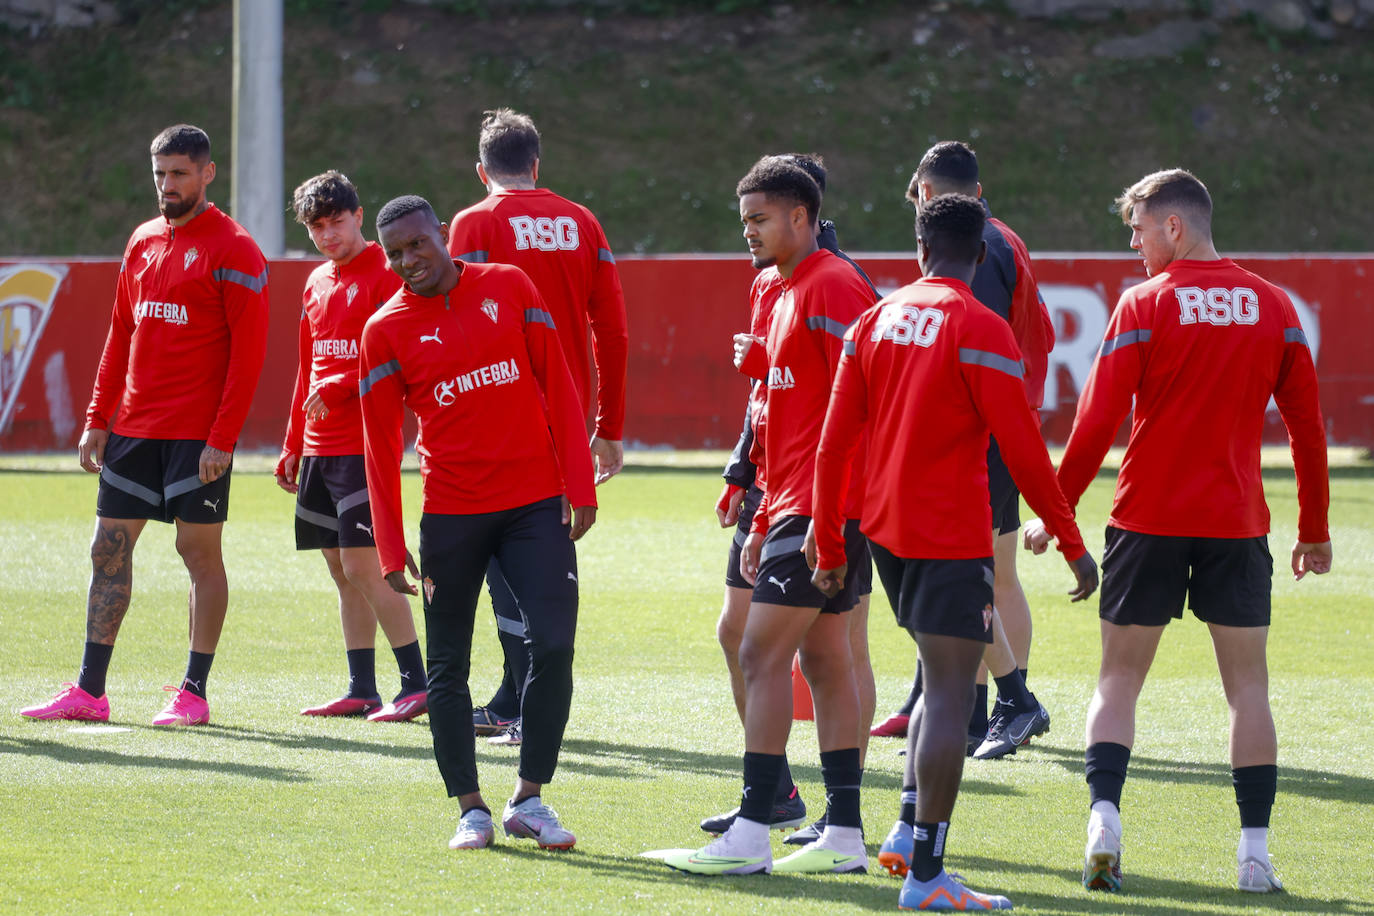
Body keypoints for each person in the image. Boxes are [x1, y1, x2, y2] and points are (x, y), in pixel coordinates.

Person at [1023, 168, 1330, 894]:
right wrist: (1313, 529)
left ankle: (1104, 822)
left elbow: (1097, 424)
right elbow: (1309, 429)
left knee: (1118, 679)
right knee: (1248, 689)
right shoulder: (1275, 306)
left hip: (1146, 519)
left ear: (1174, 226)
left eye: (1137, 229)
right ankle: (1254, 854)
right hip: (1235, 523)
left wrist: (1055, 516)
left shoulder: (1143, 305)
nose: (1133, 245)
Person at [809, 193, 1097, 910]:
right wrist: (1070, 541)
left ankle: (908, 835)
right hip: (950, 536)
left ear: (918, 248)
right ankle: (930, 877)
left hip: (884, 537)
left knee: (936, 682)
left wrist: (826, 540)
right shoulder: (983, 328)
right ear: (981, 254)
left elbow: (833, 440)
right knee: (947, 696)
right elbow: (1026, 454)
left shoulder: (873, 321)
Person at [360, 195, 596, 851]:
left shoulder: (509, 287)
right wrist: (388, 542)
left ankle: (529, 799)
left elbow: (559, 382)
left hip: (534, 505)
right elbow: (378, 446)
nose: (409, 260)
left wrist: (580, 485)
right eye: (395, 254)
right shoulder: (384, 330)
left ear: (443, 234)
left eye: (417, 245)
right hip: (453, 515)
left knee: (552, 645)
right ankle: (470, 808)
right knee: (447, 668)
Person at [664, 157, 874, 876]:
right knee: (822, 659)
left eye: (759, 219)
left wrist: (829, 515)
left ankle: (755, 826)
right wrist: (756, 511)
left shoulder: (834, 287)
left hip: (821, 507)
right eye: (743, 218)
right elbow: (782, 414)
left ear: (802, 218)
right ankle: (843, 834)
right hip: (787, 502)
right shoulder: (778, 291)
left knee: (759, 653)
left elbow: (867, 400)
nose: (746, 231)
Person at [21, 124, 269, 727]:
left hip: (196, 438)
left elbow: (249, 354)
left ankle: (193, 692)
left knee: (197, 553)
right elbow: (121, 334)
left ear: (208, 173)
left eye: (179, 173)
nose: (167, 185)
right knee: (107, 549)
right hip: (133, 429)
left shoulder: (235, 249)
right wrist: (96, 418)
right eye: (159, 174)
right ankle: (89, 692)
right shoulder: (142, 241)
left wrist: (223, 439)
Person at [446, 109, 628, 746]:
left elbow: (453, 317)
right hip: (567, 418)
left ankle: (526, 699)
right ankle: (515, 691)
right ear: (537, 165)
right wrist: (608, 424)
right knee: (534, 553)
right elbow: (614, 329)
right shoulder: (581, 222)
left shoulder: (474, 223)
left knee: (505, 554)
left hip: (494, 417)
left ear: (482, 170)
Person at [872, 141, 1056, 761]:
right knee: (979, 571)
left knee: (986, 572)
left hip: (985, 428)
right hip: (995, 421)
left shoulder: (987, 248)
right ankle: (953, 697)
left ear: (927, 195)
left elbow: (981, 345)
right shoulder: (1000, 238)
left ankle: (997, 705)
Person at [274, 170, 427, 722]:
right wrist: (293, 441)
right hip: (318, 448)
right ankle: (362, 687)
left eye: (335, 221)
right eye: (316, 226)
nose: (327, 234)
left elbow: (403, 355)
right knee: (341, 570)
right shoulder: (316, 283)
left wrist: (342, 386)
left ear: (359, 216)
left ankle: (417, 681)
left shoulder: (389, 277)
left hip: (366, 445)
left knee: (367, 568)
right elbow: (307, 367)